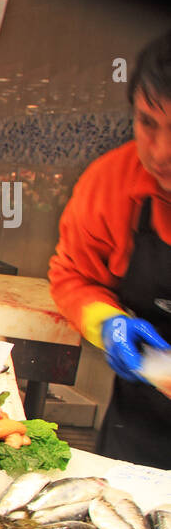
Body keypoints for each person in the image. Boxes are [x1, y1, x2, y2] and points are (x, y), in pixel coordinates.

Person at [49, 30, 171, 469]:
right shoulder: (112, 183)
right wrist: (109, 322)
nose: (161, 152)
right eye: (148, 123)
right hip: (137, 429)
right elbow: (73, 275)